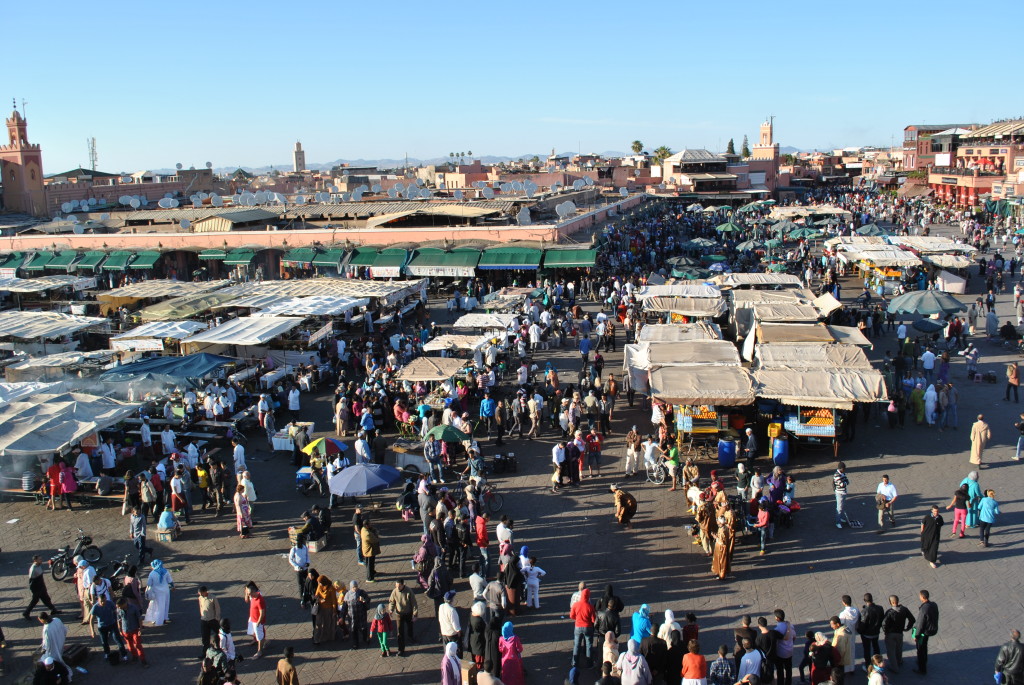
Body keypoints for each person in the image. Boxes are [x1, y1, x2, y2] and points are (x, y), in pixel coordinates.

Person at [89, 593, 127, 664]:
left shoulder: (110, 603)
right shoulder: (95, 607)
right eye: (101, 601)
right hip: (102, 627)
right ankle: (107, 653)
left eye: (104, 601)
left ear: (106, 599)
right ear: (98, 600)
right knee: (104, 641)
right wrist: (92, 630)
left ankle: (124, 655)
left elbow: (116, 611)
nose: (103, 603)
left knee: (117, 639)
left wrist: (119, 620)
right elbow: (91, 619)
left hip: (112, 624)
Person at [882, 595, 914, 674]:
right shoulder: (904, 609)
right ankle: (899, 661)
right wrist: (907, 628)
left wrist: (886, 632)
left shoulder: (889, 612)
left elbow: (884, 623)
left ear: (891, 602)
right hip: (900, 633)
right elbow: (912, 619)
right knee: (899, 648)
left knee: (891, 651)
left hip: (891, 634)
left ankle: (894, 668)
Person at [388, 579, 418, 655]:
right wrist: (391, 609)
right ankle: (401, 649)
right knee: (400, 632)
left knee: (410, 626)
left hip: (408, 613)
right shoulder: (394, 592)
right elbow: (392, 602)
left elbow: (414, 603)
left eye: (399, 586)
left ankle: (410, 637)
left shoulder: (409, 591)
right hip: (399, 614)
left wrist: (415, 614)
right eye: (396, 586)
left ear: (403, 585)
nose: (397, 588)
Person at [913, 589, 938, 675]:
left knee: (920, 649)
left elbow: (920, 624)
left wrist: (916, 636)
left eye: (920, 596)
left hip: (924, 632)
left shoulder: (924, 609)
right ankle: (925, 660)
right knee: (924, 646)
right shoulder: (934, 605)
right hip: (931, 629)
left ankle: (922, 668)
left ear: (923, 597)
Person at [116, 597, 147, 666]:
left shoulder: (133, 608)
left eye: (119, 606)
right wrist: (120, 630)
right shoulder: (118, 610)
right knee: (130, 646)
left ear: (124, 604)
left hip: (134, 629)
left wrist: (140, 629)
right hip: (125, 630)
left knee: (138, 645)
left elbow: (139, 619)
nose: (119, 608)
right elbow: (119, 620)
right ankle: (135, 656)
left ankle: (143, 660)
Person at [570, 587, 596, 668]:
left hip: (578, 626)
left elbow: (571, 616)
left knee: (577, 645)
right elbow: (593, 619)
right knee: (589, 645)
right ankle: (589, 664)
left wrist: (577, 619)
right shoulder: (590, 607)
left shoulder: (575, 605)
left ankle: (575, 663)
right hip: (588, 627)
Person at [858, 594, 884, 671]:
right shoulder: (880, 608)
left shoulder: (865, 611)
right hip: (876, 633)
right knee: (876, 648)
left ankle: (868, 666)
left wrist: (860, 631)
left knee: (867, 650)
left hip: (867, 635)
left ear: (865, 601)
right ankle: (878, 663)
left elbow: (863, 624)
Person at [144, 559, 173, 626]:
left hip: (156, 592)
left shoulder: (152, 573)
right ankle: (164, 618)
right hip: (165, 591)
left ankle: (156, 619)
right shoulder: (165, 571)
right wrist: (173, 587)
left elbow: (149, 583)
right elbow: (170, 581)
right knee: (165, 604)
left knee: (156, 605)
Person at [245, 581, 268, 658]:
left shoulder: (259, 600)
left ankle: (259, 651)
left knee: (259, 636)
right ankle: (261, 642)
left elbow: (262, 613)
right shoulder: (253, 597)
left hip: (257, 621)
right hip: (252, 619)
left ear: (254, 592)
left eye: (249, 593)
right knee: (252, 632)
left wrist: (258, 622)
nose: (248, 595)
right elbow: (247, 600)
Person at [712, 509, 735, 581]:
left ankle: (722, 574)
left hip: (721, 548)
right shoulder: (724, 528)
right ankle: (722, 572)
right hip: (722, 547)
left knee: (721, 561)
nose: (717, 521)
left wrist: (715, 537)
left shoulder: (722, 530)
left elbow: (721, 541)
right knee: (722, 560)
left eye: (718, 520)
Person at [829, 616, 852, 682]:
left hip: (839, 659)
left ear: (838, 624)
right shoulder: (843, 629)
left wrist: (836, 659)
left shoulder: (842, 634)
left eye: (832, 624)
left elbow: (841, 649)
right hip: (842, 657)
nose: (831, 626)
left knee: (838, 675)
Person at [361, 516, 381, 582]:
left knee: (370, 563)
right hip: (369, 551)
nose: (371, 525)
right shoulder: (367, 534)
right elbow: (374, 540)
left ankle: (372, 572)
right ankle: (369, 578)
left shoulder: (364, 529)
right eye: (369, 524)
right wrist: (376, 535)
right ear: (366, 525)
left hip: (368, 550)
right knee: (370, 564)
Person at [832, 462, 849, 529]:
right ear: (841, 468)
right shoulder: (836, 475)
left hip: (843, 492)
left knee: (842, 507)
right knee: (839, 508)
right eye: (844, 469)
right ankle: (838, 522)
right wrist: (845, 482)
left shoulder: (842, 473)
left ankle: (840, 518)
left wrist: (845, 482)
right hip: (839, 493)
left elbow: (847, 481)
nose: (844, 470)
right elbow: (842, 484)